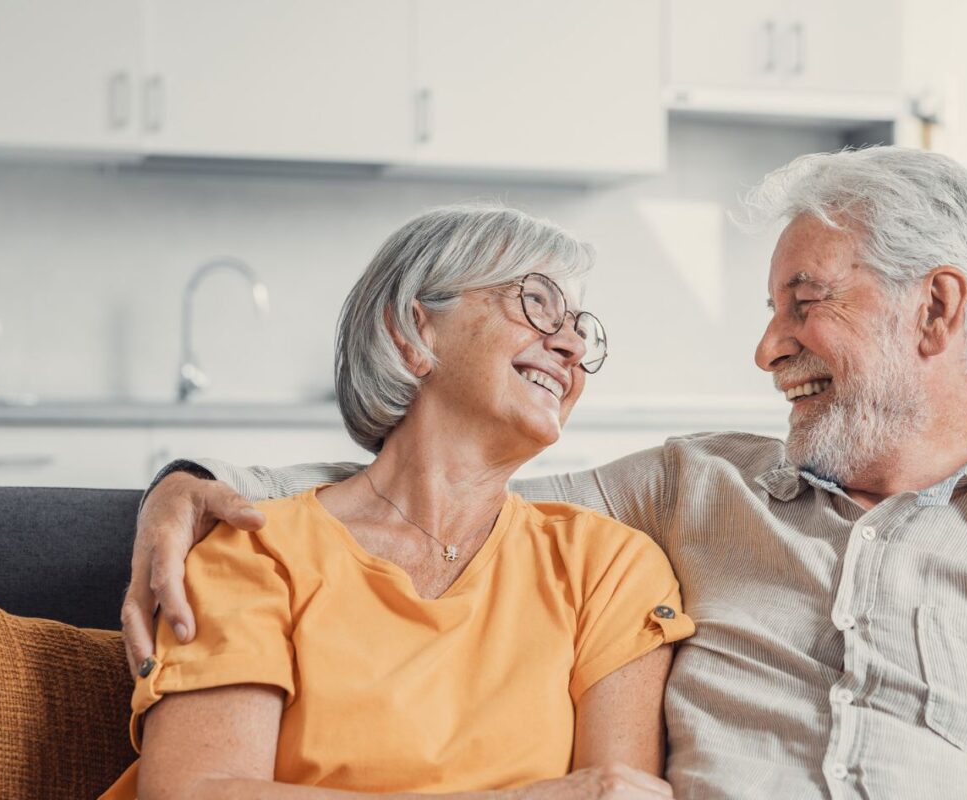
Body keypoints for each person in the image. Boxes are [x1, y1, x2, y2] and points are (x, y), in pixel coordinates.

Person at [124, 147, 967, 799]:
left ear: (938, 308)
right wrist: (197, 479)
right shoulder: (682, 492)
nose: (767, 345)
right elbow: (432, 491)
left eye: (803, 300)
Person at [102, 205, 694, 799]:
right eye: (536, 303)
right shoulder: (256, 549)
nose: (569, 345)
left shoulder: (610, 569)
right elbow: (194, 792)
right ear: (411, 335)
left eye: (581, 331)